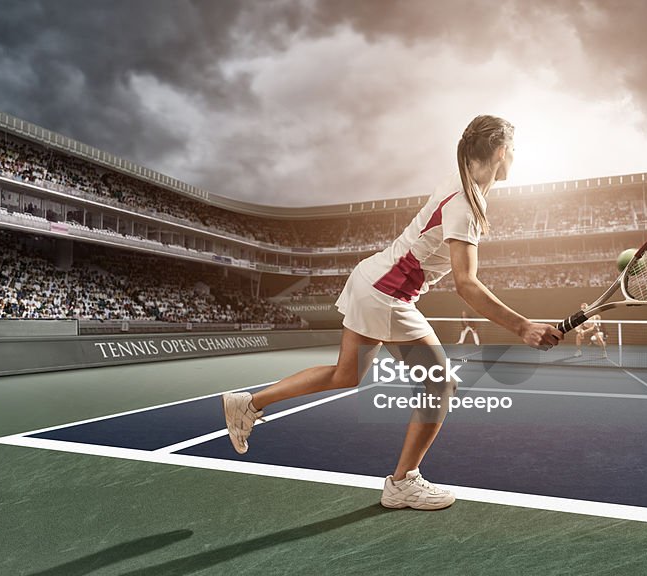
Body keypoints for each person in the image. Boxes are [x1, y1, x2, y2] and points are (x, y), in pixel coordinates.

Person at [222, 115, 563, 511]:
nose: (515, 158)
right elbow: (466, 284)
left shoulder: (462, 186)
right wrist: (522, 326)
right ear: (502, 152)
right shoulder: (466, 205)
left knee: (344, 374)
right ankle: (403, 482)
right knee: (440, 385)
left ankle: (248, 404)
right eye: (514, 150)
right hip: (387, 293)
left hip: (373, 281)